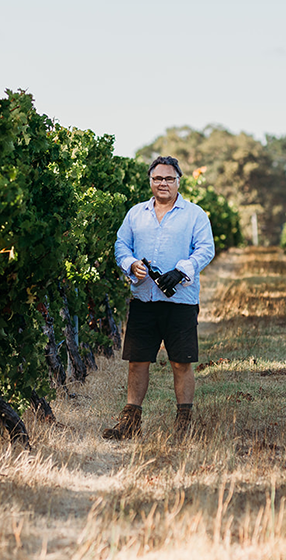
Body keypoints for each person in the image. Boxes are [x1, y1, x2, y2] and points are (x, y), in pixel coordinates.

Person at [105, 155, 216, 441]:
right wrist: (130, 264)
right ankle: (130, 422)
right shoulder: (136, 214)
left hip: (181, 301)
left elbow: (205, 249)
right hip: (144, 298)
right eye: (157, 178)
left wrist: (182, 271)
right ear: (150, 181)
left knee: (181, 361)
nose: (163, 183)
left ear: (179, 181)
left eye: (168, 178)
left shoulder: (194, 214)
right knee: (137, 360)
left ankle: (184, 424)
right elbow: (121, 245)